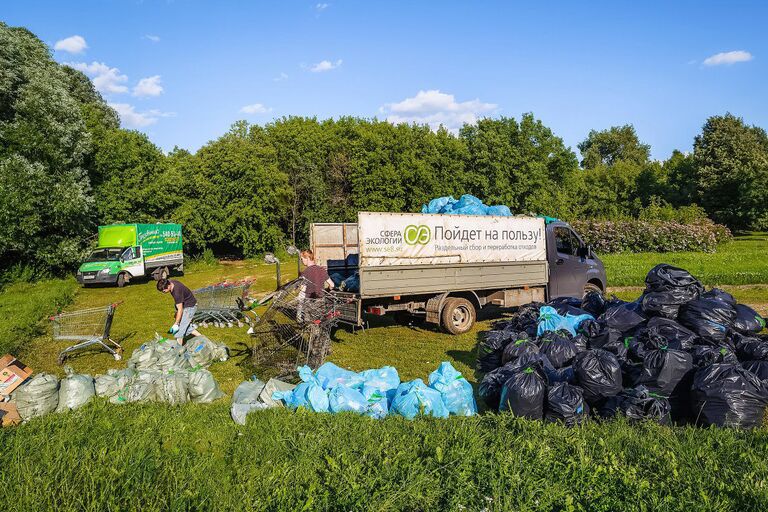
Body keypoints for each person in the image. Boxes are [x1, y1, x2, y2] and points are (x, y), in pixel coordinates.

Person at [156, 278, 202, 343]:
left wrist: (176, 323)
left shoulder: (177, 292)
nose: (163, 292)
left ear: (168, 286)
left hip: (190, 307)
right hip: (185, 304)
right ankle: (201, 338)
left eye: (164, 290)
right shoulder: (170, 282)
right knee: (185, 326)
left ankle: (178, 349)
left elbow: (180, 309)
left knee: (180, 331)